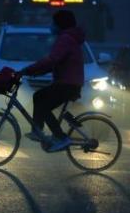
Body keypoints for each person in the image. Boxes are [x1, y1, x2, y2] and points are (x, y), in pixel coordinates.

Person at [17, 9, 85, 152]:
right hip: (69, 83)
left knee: (43, 105)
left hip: (67, 84)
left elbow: (51, 60)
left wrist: (28, 70)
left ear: (60, 24)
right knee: (39, 97)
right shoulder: (68, 38)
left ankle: (61, 137)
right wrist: (34, 72)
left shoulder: (65, 39)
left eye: (53, 23)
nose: (51, 26)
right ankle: (38, 130)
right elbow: (55, 63)